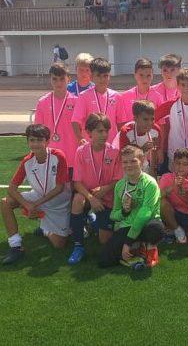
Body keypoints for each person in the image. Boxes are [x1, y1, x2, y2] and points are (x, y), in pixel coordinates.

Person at [0, 124, 72, 265]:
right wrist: (28, 205)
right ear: (28, 142)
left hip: (59, 202)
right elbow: (12, 188)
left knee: (59, 244)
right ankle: (16, 245)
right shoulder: (27, 161)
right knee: (5, 202)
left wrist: (34, 206)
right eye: (32, 140)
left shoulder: (58, 156)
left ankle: (44, 230)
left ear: (47, 141)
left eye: (39, 140)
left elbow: (60, 188)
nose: (35, 144)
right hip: (37, 199)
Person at [67, 113, 122, 264]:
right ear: (89, 132)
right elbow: (77, 182)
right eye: (99, 131)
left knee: (104, 241)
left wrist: (105, 189)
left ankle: (92, 222)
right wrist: (91, 198)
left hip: (107, 198)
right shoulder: (81, 151)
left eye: (106, 131)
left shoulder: (114, 152)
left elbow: (118, 180)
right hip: (88, 195)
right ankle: (78, 246)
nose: (104, 135)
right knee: (77, 200)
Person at [97, 145, 164, 269]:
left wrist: (127, 242)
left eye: (133, 161)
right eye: (125, 162)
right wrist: (125, 211)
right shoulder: (120, 185)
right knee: (103, 260)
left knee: (156, 229)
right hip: (128, 226)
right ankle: (137, 248)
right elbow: (114, 215)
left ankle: (150, 248)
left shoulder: (150, 183)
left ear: (142, 161)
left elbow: (145, 213)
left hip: (146, 225)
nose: (129, 165)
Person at [154, 67, 188, 170]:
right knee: (175, 182)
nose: (186, 88)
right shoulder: (171, 104)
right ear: (178, 86)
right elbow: (152, 119)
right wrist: (158, 147)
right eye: (183, 85)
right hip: (175, 153)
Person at [34, 62, 79, 167]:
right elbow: (38, 132)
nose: (58, 83)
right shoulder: (42, 102)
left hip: (72, 156)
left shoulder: (77, 102)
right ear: (50, 79)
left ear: (69, 79)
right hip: (50, 156)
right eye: (55, 79)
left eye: (62, 79)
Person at [72, 57, 121, 144]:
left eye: (105, 76)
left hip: (111, 145)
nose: (102, 79)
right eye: (98, 76)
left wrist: (121, 140)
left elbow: (121, 123)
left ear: (109, 76)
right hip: (90, 144)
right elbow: (75, 121)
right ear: (91, 77)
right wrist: (80, 138)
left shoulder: (117, 96)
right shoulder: (84, 96)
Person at [119, 100, 163, 178]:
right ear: (135, 118)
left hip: (145, 168)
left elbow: (155, 151)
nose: (150, 123)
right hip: (128, 169)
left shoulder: (156, 130)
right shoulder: (126, 131)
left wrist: (153, 170)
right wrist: (142, 150)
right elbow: (124, 156)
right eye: (145, 119)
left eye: (152, 119)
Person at [117, 58, 163, 125]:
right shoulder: (124, 96)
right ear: (135, 75)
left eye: (148, 75)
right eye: (141, 75)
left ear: (152, 75)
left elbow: (160, 123)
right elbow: (121, 123)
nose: (145, 79)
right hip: (131, 134)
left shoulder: (158, 97)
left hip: (151, 135)